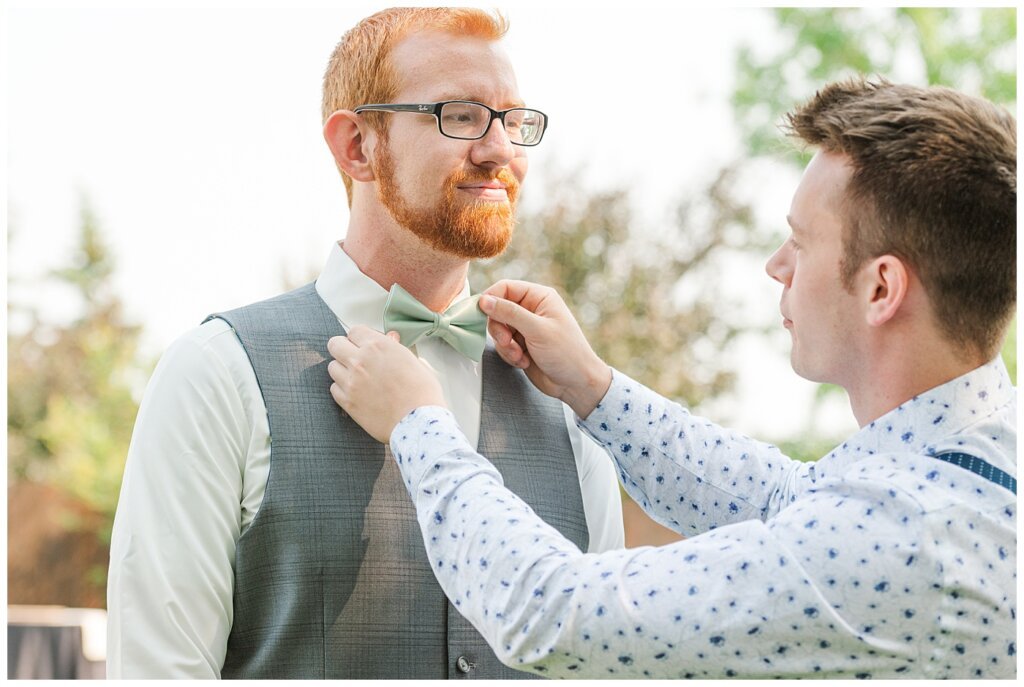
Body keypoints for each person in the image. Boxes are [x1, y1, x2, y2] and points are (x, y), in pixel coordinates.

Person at [326, 78, 1017, 679]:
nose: (776, 265)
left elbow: (554, 612)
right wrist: (596, 387)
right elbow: (784, 495)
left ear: (881, 288)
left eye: (801, 243)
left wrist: (419, 422)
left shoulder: (912, 539)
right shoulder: (964, 462)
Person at [106, 8, 623, 679]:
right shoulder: (216, 373)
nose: (501, 149)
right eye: (461, 115)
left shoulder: (568, 401)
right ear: (357, 146)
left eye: (513, 120)